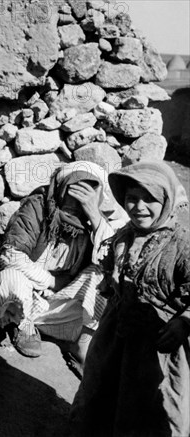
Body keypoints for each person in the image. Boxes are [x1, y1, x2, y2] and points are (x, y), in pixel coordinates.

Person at [70, 161, 190, 437]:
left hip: (159, 345)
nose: (138, 207)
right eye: (131, 199)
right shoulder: (124, 236)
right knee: (101, 392)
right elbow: (113, 275)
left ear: (166, 201)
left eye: (149, 199)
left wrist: (184, 322)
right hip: (116, 335)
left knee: (149, 408)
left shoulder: (182, 244)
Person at [0, 161, 127, 367]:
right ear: (61, 187)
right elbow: (11, 255)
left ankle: (82, 344)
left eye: (84, 196)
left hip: (57, 302)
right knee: (11, 276)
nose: (75, 202)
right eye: (72, 191)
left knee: (102, 275)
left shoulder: (91, 221)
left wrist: (94, 215)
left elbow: (111, 259)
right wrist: (52, 281)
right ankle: (22, 326)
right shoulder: (38, 206)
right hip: (26, 288)